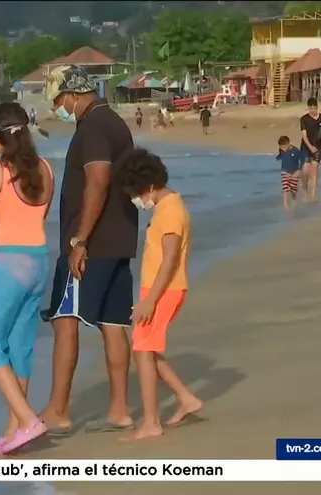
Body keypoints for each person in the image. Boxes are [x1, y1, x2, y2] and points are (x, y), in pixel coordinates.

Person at [40, 64, 138, 435]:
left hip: (92, 243)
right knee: (113, 323)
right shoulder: (114, 122)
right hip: (120, 238)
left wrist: (79, 240)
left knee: (65, 320)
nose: (57, 108)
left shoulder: (94, 127)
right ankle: (119, 410)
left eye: (59, 100)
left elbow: (97, 182)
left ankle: (58, 410)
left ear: (73, 94)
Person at [0, 102, 55, 455]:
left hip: (8, 265)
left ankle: (29, 420)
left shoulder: (0, 171)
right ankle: (14, 430)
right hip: (38, 262)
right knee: (20, 347)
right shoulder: (46, 169)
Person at [116, 148, 202, 441]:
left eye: (136, 193)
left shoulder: (170, 211)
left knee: (142, 351)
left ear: (149, 187)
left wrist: (150, 300)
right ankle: (186, 398)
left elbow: (169, 260)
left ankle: (151, 422)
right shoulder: (168, 207)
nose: (136, 200)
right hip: (159, 289)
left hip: (164, 290)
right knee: (146, 348)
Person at [299, 97, 321, 202]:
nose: (313, 110)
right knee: (305, 171)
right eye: (310, 108)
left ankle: (313, 195)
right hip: (306, 148)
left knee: (314, 169)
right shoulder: (304, 119)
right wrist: (310, 147)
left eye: (314, 108)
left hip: (318, 147)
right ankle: (305, 192)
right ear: (308, 108)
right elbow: (304, 136)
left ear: (317, 107)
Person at [276, 135, 305, 210]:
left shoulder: (296, 150)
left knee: (293, 188)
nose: (282, 149)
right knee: (285, 187)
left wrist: (299, 170)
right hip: (285, 171)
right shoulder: (281, 150)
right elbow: (280, 155)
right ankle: (285, 204)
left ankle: (294, 199)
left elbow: (302, 160)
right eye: (281, 147)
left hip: (294, 172)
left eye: (283, 147)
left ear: (288, 144)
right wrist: (278, 157)